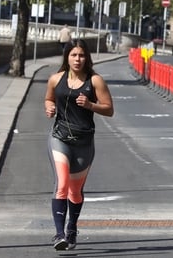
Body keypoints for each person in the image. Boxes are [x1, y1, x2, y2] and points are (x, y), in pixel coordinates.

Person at [43, 38, 114, 251]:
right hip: (60, 137)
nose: (77, 59)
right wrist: (49, 108)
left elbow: (109, 109)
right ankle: (59, 234)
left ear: (87, 58)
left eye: (81, 55)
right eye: (73, 55)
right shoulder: (56, 79)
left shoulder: (95, 81)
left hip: (84, 142)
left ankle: (72, 227)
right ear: (67, 56)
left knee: (75, 191)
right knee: (62, 184)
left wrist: (91, 104)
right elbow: (49, 99)